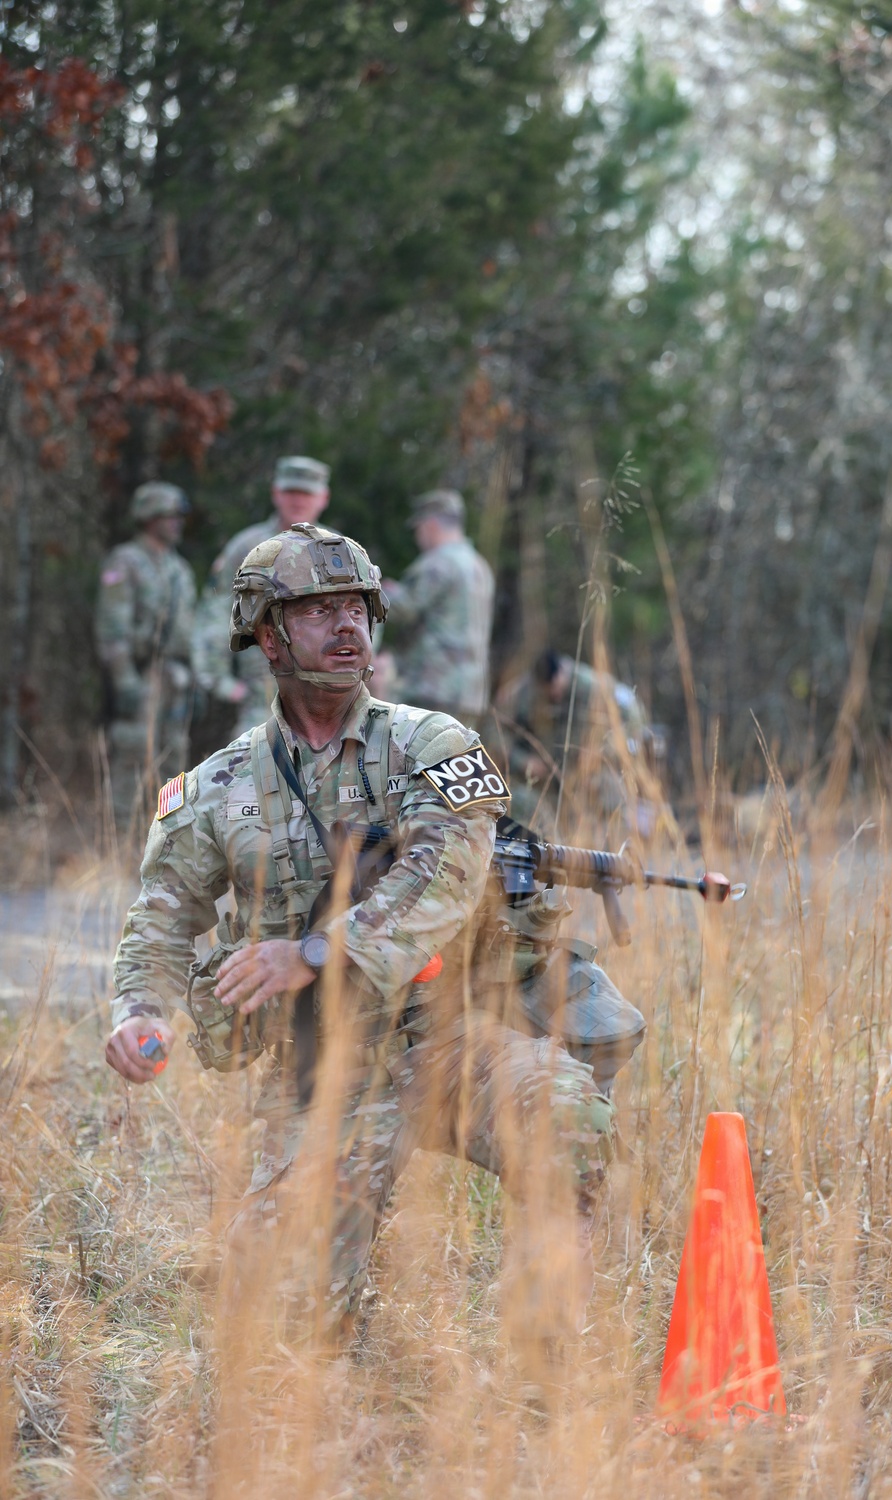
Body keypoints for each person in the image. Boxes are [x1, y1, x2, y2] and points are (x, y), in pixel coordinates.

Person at [104, 523, 614, 1386]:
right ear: (268, 636)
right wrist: (138, 1014)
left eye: (358, 609)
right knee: (279, 1342)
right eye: (319, 611)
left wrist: (313, 950)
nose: (348, 627)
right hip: (321, 1072)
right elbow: (159, 921)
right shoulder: (214, 789)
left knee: (566, 1118)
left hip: (447, 1041)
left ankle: (538, 1372)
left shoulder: (435, 742)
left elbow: (447, 869)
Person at [193, 455, 330, 736]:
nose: (298, 500)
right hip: (262, 686)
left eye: (306, 493)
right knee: (251, 764)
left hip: (325, 689)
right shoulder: (247, 546)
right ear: (275, 493)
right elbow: (217, 609)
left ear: (323, 497)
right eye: (291, 491)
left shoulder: (337, 550)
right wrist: (217, 677)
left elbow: (361, 616)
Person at [95, 481, 196, 832]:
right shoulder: (126, 561)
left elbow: (188, 631)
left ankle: (166, 842)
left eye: (178, 516)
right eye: (169, 516)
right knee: (133, 757)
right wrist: (125, 681)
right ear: (149, 518)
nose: (176, 523)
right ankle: (120, 843)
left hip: (174, 679)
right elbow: (112, 629)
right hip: (139, 676)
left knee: (174, 761)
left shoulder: (179, 569)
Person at [492, 649, 651, 835]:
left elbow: (634, 723)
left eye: (557, 688)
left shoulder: (594, 686)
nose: (554, 695)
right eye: (548, 692)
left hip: (588, 774)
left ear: (563, 673)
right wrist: (521, 760)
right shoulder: (522, 692)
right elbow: (493, 729)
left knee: (610, 795)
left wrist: (602, 751)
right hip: (543, 777)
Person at [381, 489, 493, 726]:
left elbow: (402, 609)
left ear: (430, 525)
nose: (418, 536)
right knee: (453, 761)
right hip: (469, 692)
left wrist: (378, 591)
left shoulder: (437, 563)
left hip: (431, 688)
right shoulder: (479, 566)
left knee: (418, 759)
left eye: (418, 529)